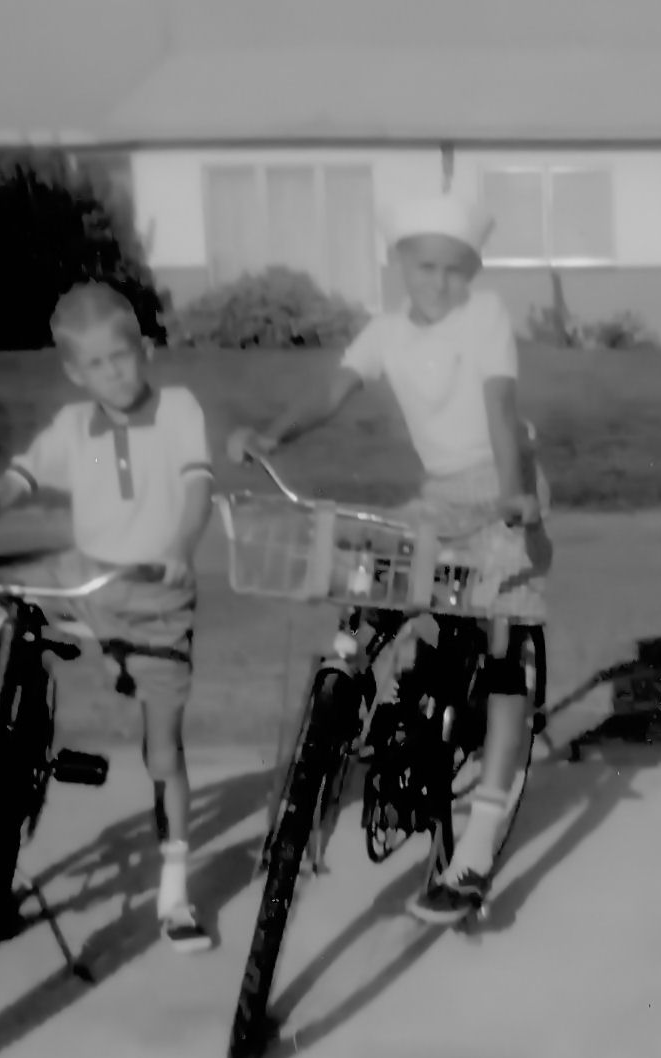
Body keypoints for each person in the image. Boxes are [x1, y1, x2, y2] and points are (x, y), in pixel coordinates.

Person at [227, 192, 551, 925]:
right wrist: (274, 436)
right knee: (377, 585)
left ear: (470, 270)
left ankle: (476, 849)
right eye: (424, 266)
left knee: (503, 649)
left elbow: (500, 409)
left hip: (503, 480)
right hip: (441, 494)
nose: (438, 282)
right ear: (401, 265)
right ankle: (375, 727)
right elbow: (332, 392)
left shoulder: (485, 318)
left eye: (452, 269)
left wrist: (511, 495)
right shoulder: (387, 331)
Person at [0, 281, 217, 954]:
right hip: (80, 579)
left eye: (122, 358)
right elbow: (14, 484)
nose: (113, 374)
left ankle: (175, 893)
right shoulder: (74, 427)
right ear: (74, 371)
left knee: (163, 753)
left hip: (153, 595)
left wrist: (181, 549)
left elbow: (196, 486)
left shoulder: (179, 409)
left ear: (144, 351)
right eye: (96, 365)